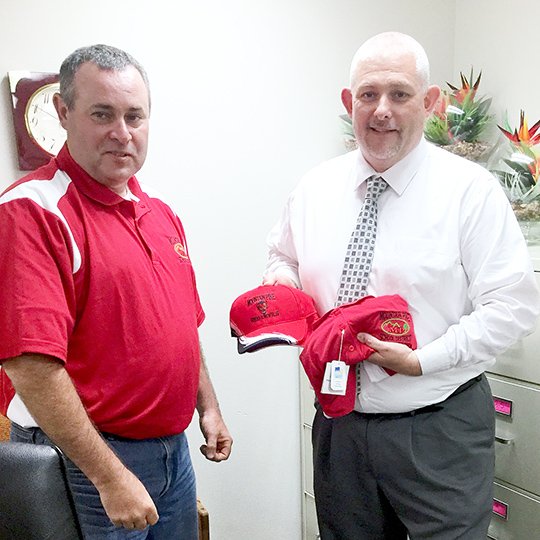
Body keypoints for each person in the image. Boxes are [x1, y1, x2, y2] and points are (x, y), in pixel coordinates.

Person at [264, 32, 540, 539]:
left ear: (430, 102)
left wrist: (422, 360)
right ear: (350, 104)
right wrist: (285, 290)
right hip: (338, 425)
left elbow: (514, 307)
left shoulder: (469, 192)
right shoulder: (314, 189)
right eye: (368, 95)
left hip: (438, 429)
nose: (382, 110)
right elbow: (282, 256)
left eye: (400, 94)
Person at [0, 44, 232, 539]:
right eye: (102, 114)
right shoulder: (33, 210)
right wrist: (109, 476)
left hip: (172, 454)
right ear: (64, 113)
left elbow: (183, 329)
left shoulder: (162, 214)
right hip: (87, 464)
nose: (121, 133)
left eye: (134, 116)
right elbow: (30, 366)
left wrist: (207, 408)